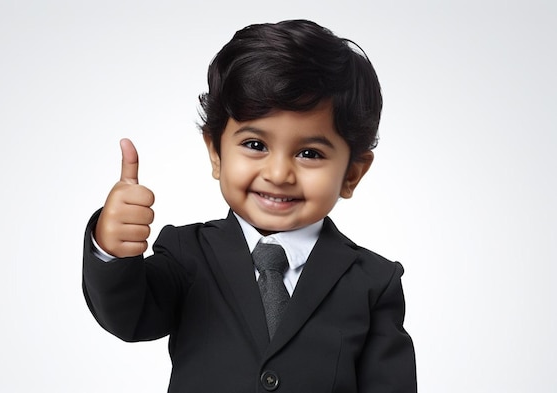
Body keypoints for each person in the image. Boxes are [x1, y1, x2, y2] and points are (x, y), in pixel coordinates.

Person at [83, 19, 417, 393]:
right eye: (255, 145)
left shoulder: (374, 281)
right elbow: (129, 318)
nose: (278, 173)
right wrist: (111, 251)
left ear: (352, 173)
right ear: (216, 153)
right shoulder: (186, 254)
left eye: (310, 153)